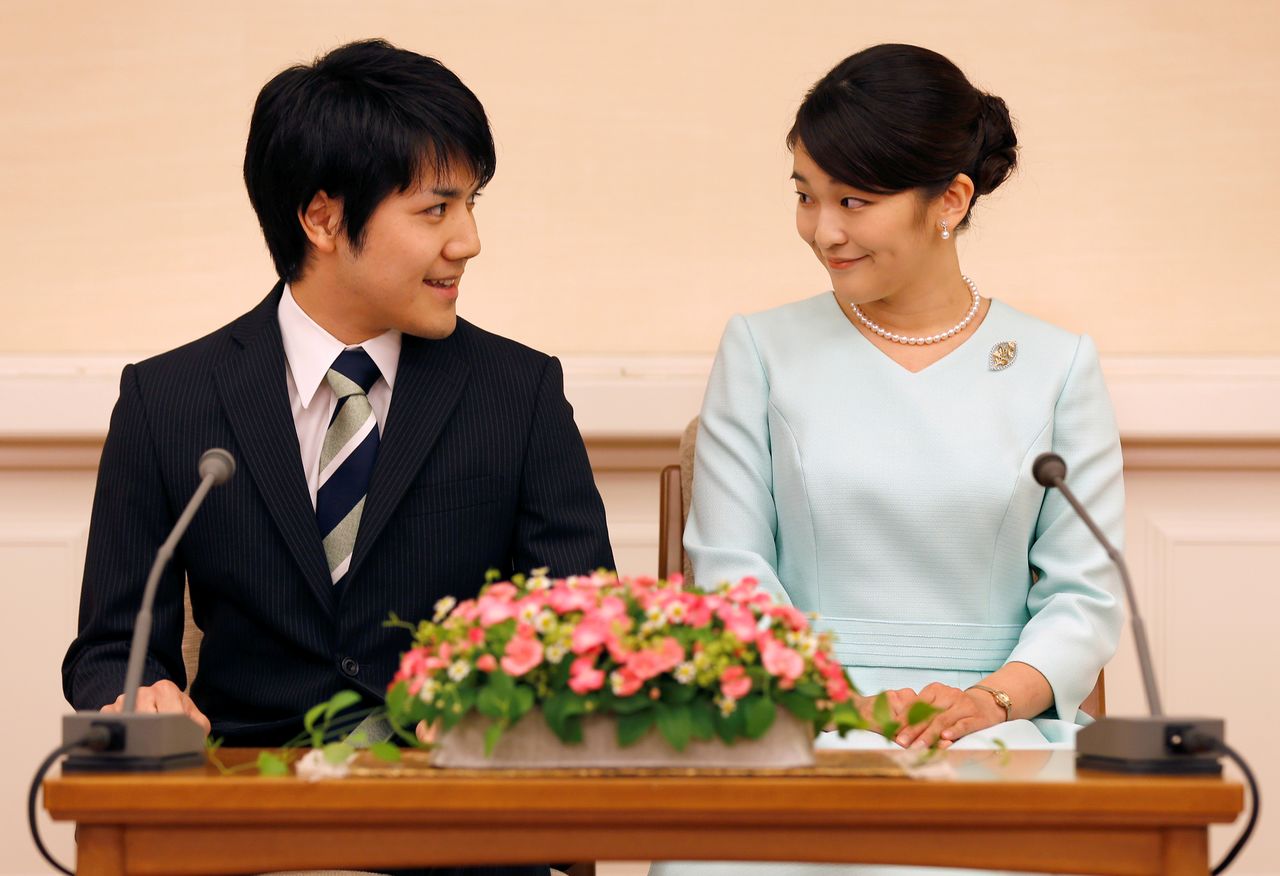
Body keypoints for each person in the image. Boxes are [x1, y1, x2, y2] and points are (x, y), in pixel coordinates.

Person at [62, 35, 613, 834]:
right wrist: (137, 694)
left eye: (471, 205)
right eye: (435, 208)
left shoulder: (518, 392)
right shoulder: (166, 399)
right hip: (242, 809)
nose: (468, 241)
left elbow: (585, 625)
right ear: (323, 218)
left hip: (461, 814)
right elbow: (109, 644)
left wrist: (499, 705)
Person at [654, 41, 1125, 876]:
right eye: (806, 197)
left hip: (997, 726)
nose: (822, 231)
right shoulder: (762, 349)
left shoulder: (1057, 364)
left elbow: (1085, 596)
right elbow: (729, 571)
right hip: (796, 718)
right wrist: (843, 699)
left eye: (855, 201)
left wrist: (991, 698)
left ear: (950, 199)